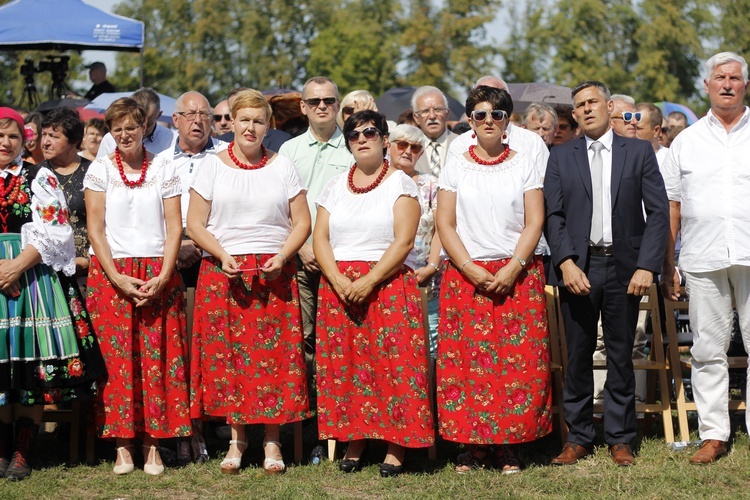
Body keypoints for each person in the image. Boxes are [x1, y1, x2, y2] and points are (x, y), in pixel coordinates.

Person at [544, 81, 669, 467]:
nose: (585, 109)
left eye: (592, 102)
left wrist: (647, 265)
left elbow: (659, 212)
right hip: (579, 268)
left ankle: (620, 438)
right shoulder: (561, 157)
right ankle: (578, 437)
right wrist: (565, 262)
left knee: (620, 355)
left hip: (625, 268)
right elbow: (554, 215)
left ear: (609, 105)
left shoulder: (638, 152)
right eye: (579, 105)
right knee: (578, 354)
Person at [187, 89, 310, 475]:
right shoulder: (211, 166)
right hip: (225, 270)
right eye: (244, 120)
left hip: (274, 271)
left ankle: (273, 443)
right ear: (232, 124)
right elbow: (194, 223)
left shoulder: (283, 165)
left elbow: (302, 222)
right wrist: (222, 254)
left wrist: (284, 256)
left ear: (268, 125)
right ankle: (237, 443)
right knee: (230, 360)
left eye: (259, 121)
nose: (251, 127)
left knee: (275, 359)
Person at [435, 86, 550, 474]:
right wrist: (468, 267)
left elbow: (534, 220)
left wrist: (514, 266)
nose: (489, 121)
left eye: (497, 115)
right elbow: (445, 222)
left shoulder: (524, 163)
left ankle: (509, 444)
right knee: (467, 364)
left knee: (517, 363)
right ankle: (473, 444)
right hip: (466, 273)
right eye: (480, 114)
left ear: (507, 122)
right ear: (469, 120)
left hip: (516, 272)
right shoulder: (455, 163)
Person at [314, 110, 434, 477]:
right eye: (353, 134)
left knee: (395, 366)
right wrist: (336, 279)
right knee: (349, 366)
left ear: (384, 139)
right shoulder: (335, 184)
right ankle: (356, 437)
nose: (361, 138)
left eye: (370, 132)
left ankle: (397, 445)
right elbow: (319, 237)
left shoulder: (401, 184)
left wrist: (369, 281)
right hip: (339, 285)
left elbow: (404, 241)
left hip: (388, 282)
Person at [84, 97, 189, 476]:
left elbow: (175, 226)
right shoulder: (99, 170)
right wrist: (116, 276)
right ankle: (123, 446)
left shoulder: (164, 167)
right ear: (110, 133)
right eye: (117, 129)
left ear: (144, 127)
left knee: (157, 360)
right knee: (117, 365)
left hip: (158, 271)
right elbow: (96, 229)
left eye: (131, 127)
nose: (125, 134)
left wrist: (163, 274)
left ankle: (153, 445)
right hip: (112, 274)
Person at [0, 107, 104, 481]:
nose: (5, 142)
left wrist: (15, 266)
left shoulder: (38, 176)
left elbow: (55, 231)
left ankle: (22, 450)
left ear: (22, 140)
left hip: (30, 277)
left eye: (12, 136)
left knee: (28, 367)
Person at [661, 52, 750, 465]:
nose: (728, 84)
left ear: (745, 85)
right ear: (707, 86)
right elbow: (672, 206)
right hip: (701, 255)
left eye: (735, 77)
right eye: (720, 77)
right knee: (707, 348)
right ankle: (714, 435)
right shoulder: (687, 141)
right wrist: (668, 260)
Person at [278, 76, 354, 395]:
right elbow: (279, 207)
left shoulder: (354, 148)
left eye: (328, 101)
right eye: (314, 102)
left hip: (341, 260)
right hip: (301, 258)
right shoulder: (288, 150)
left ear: (338, 105)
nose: (321, 107)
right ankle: (310, 417)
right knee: (303, 335)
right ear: (303, 107)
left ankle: (341, 408)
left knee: (341, 338)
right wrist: (302, 248)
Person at [388, 124, 442, 359]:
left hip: (426, 281)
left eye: (415, 147)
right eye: (401, 144)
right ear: (388, 147)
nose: (408, 151)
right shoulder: (376, 182)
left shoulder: (431, 184)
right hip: (385, 278)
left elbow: (443, 228)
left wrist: (432, 266)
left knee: (430, 348)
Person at [39, 108, 92, 288]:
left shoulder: (94, 173)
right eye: (43, 135)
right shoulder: (34, 175)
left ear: (74, 141)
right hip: (44, 274)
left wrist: (87, 260)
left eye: (54, 136)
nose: (45, 142)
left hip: (87, 272)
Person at [96, 88, 177, 159]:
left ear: (159, 115)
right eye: (138, 124)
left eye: (148, 124)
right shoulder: (110, 139)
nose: (143, 129)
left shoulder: (172, 139)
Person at [412, 86, 457, 176]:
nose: (432, 116)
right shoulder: (408, 148)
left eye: (438, 109)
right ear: (416, 118)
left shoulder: (462, 145)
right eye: (425, 111)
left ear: (447, 113)